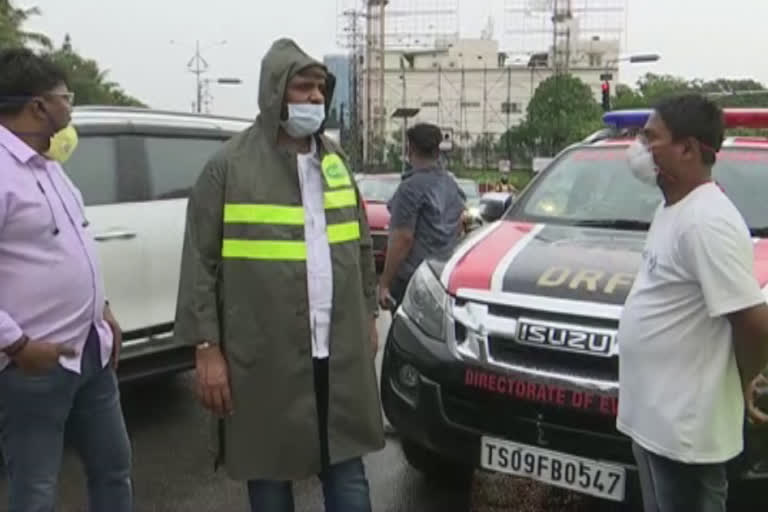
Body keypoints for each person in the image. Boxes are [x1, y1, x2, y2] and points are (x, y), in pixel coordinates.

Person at [174, 38, 384, 512]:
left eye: (320, 89)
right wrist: (207, 349)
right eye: (302, 87)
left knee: (348, 469)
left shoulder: (335, 162)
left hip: (337, 347)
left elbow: (360, 242)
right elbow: (200, 264)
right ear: (274, 93)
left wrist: (369, 314)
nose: (314, 98)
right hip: (262, 352)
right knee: (268, 474)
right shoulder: (228, 167)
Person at [618, 93, 768, 512]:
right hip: (654, 420)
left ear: (686, 149)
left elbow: (754, 322)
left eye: (650, 138)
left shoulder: (708, 221)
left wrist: (742, 380)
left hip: (685, 433)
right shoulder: (674, 208)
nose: (638, 147)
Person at [0, 48, 132, 511]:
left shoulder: (49, 166)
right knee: (35, 491)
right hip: (34, 365)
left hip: (90, 354)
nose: (69, 107)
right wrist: (17, 346)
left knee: (114, 469)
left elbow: (73, 248)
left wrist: (104, 308)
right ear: (38, 106)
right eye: (65, 97)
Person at [378, 123, 466, 309]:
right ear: (437, 151)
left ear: (411, 150)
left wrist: (385, 283)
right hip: (444, 277)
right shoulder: (450, 184)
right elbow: (458, 228)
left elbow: (402, 239)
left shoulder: (409, 189)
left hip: (413, 281)